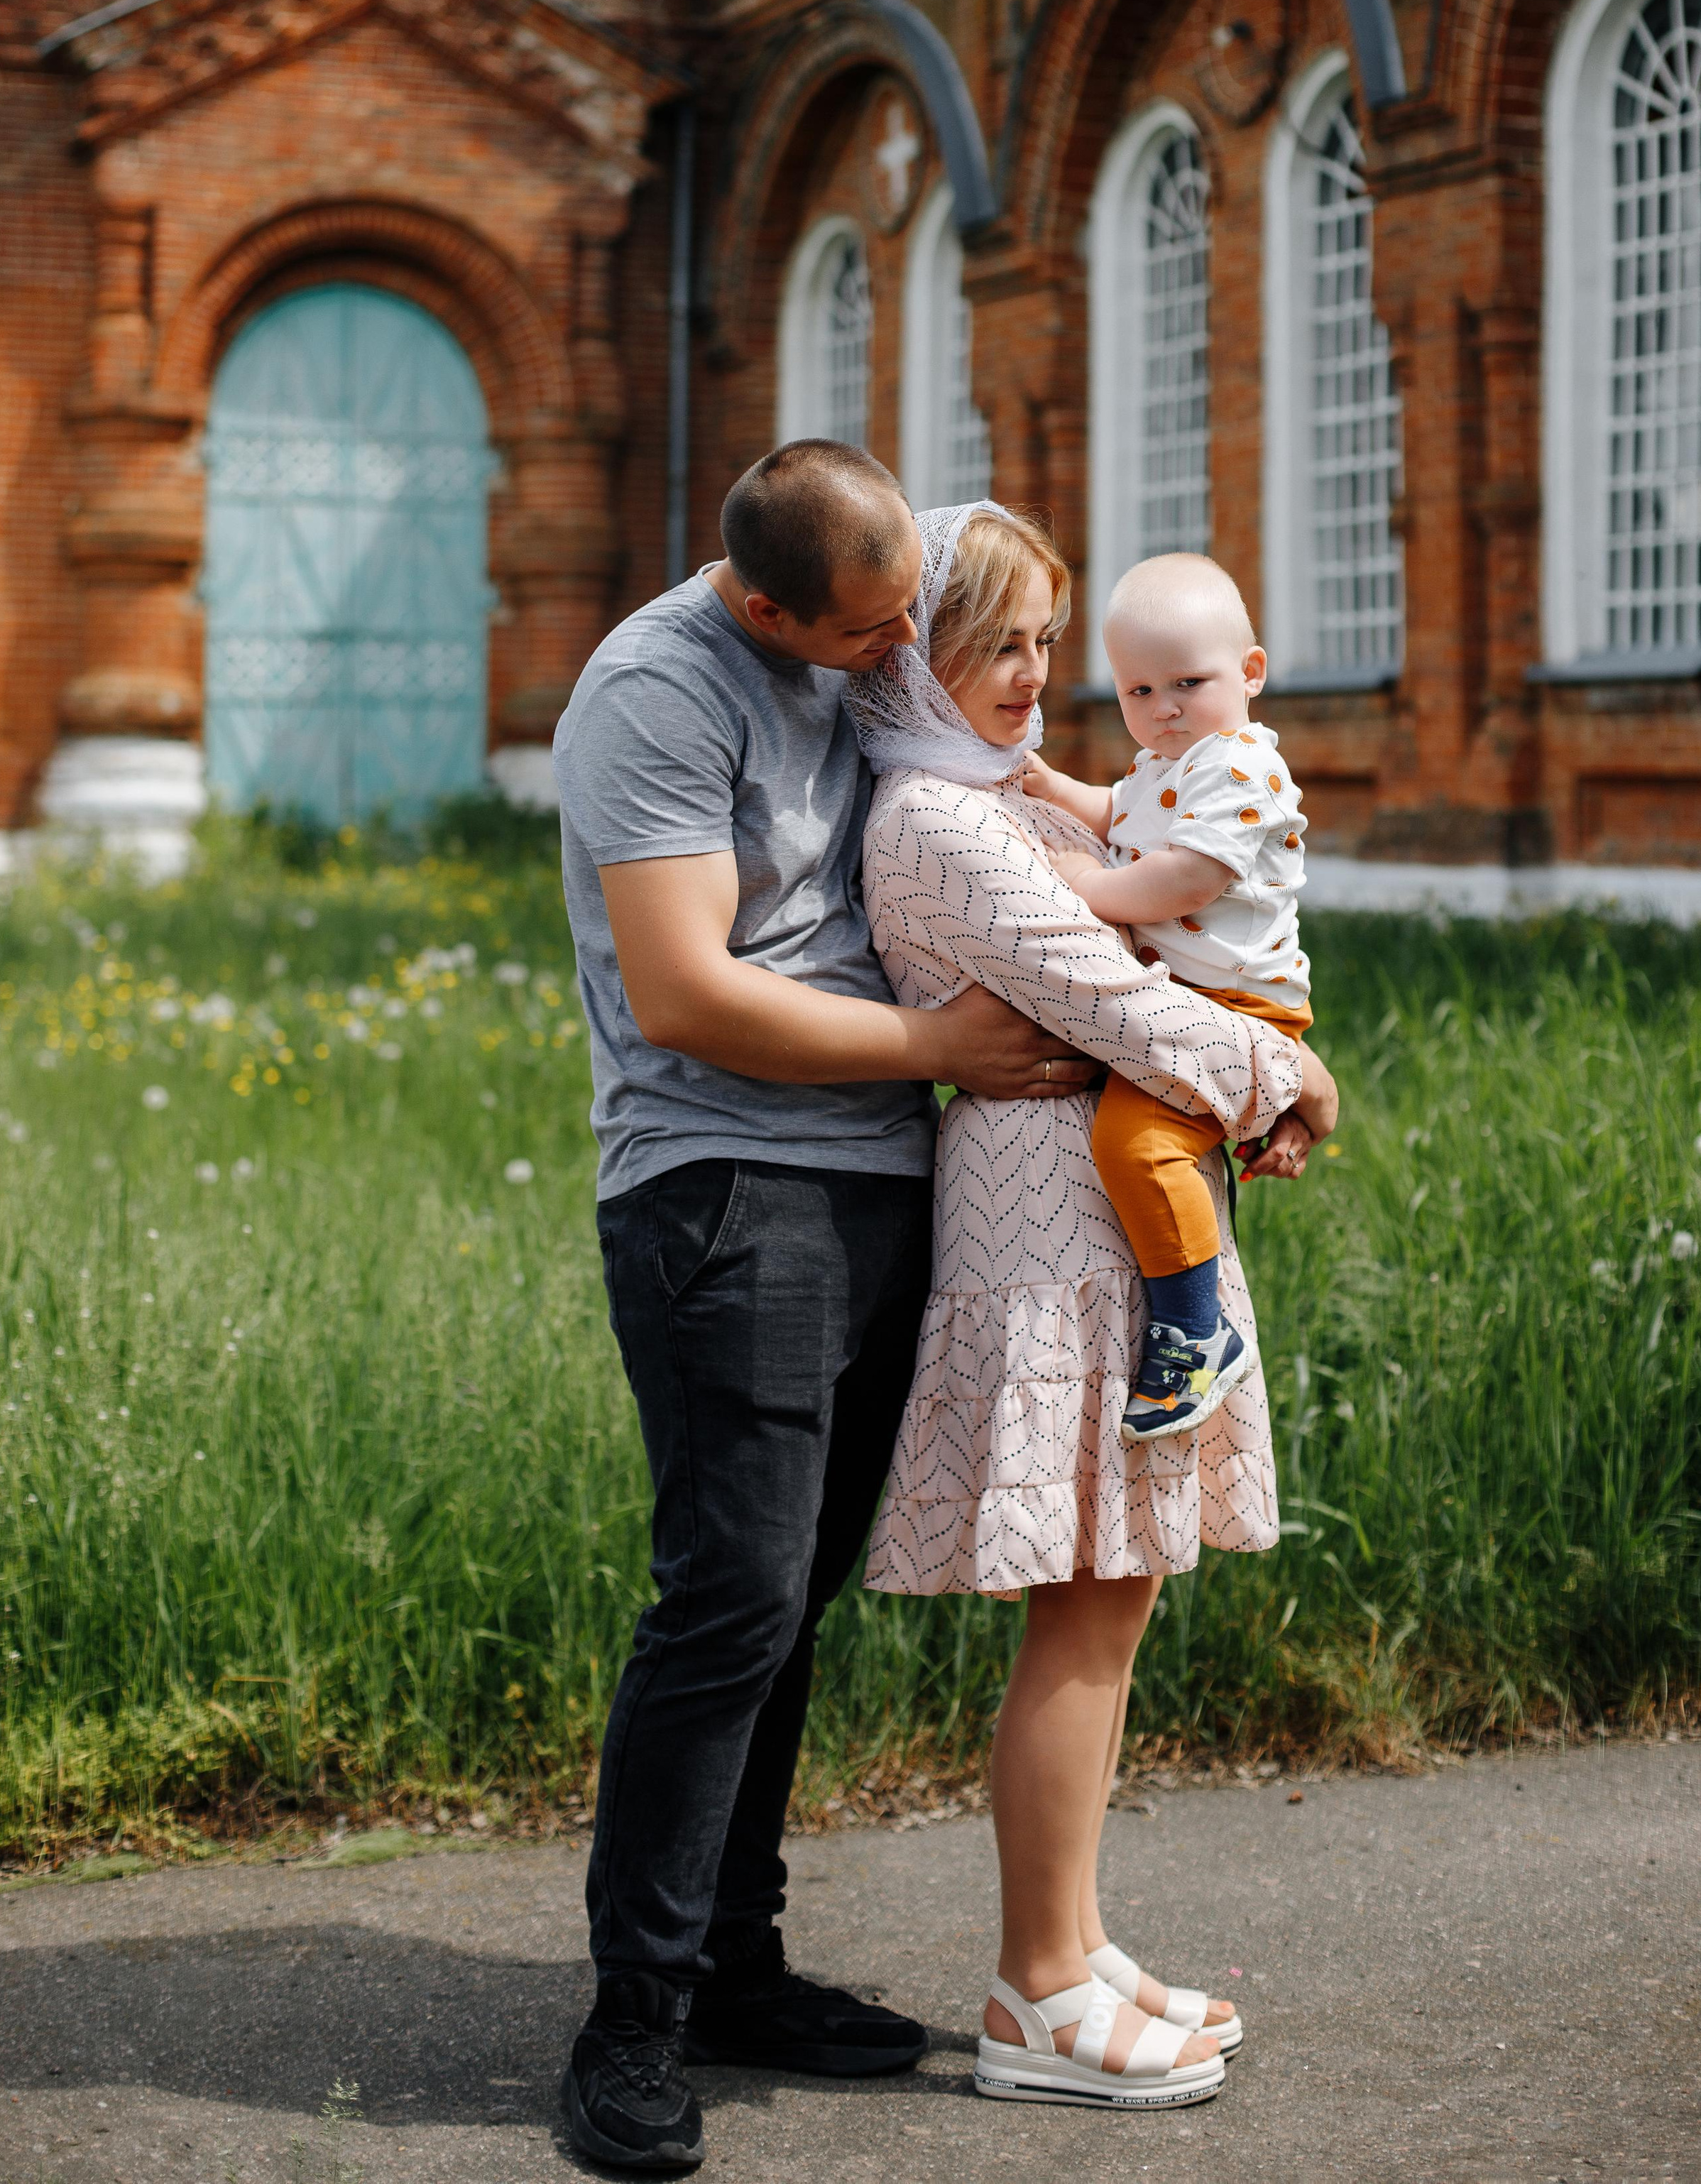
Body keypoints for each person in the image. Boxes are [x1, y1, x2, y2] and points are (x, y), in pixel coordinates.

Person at [552, 442, 1096, 2173]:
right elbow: (680, 990)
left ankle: (737, 1970)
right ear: (766, 605)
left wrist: (1122, 808)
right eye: (867, 632)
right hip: (724, 1187)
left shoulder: (868, 613)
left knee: (786, 1606)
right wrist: (938, 1044)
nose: (897, 653)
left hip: (877, 1176)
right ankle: (630, 2024)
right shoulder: (657, 690)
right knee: (725, 1601)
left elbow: (980, 739)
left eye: (904, 616)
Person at [848, 501, 1338, 2112]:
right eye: (991, 643)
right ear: (913, 653)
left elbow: (1152, 946)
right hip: (1046, 1238)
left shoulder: (994, 794)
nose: (1028, 673)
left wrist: (1240, 1065)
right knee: (1082, 1603)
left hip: (1099, 1219)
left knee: (1113, 1602)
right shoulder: (936, 817)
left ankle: (1072, 1939)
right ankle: (1034, 1989)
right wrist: (1288, 1072)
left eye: (1043, 642)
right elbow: (1109, 997)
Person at [1022, 550, 1315, 1443]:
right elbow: (1119, 811)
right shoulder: (1167, 763)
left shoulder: (1241, 766)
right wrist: (1048, 788)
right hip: (1190, 1005)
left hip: (1233, 1010)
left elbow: (1186, 878)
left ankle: (1195, 1331)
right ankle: (1271, 1116)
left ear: (1250, 672)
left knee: (1137, 1146)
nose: (1164, 709)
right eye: (1138, 691)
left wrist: (1086, 888)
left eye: (1189, 683)